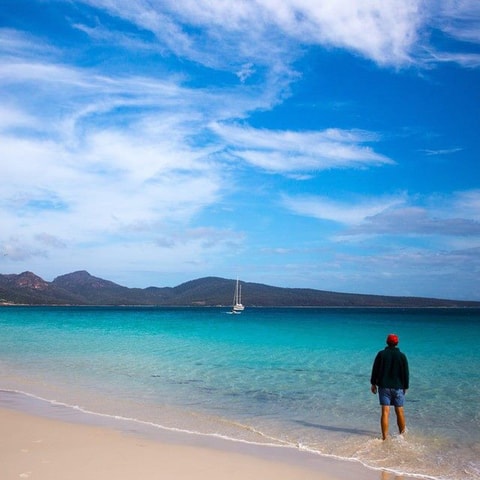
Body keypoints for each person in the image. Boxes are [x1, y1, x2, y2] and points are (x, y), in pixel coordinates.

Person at [370, 333, 409, 440]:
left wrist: (373, 383)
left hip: (384, 387)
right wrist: (405, 386)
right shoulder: (402, 356)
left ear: (387, 342)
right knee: (399, 411)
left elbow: (375, 369)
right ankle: (402, 436)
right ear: (397, 343)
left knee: (385, 412)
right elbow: (405, 373)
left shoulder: (381, 354)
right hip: (398, 387)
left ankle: (384, 437)